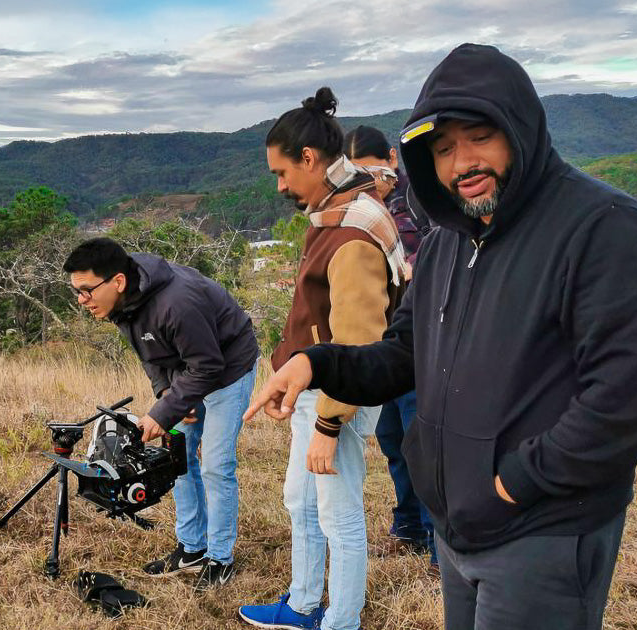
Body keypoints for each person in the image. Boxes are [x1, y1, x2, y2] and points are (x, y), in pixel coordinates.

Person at [246, 44, 637, 630]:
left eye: (479, 136)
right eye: (443, 148)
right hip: (458, 526)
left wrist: (514, 484)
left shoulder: (604, 229)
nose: (462, 162)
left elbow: (621, 403)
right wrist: (316, 364)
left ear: (520, 129)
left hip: (543, 531)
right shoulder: (449, 240)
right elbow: (404, 353)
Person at [238, 88, 406, 630]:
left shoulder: (353, 230)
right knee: (302, 501)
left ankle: (342, 621)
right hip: (313, 391)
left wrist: (329, 424)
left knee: (339, 514)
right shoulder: (337, 212)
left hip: (336, 398)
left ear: (309, 158)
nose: (280, 186)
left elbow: (359, 344)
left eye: (282, 173)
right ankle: (304, 603)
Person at [63, 237, 259, 591]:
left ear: (117, 281)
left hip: (229, 367)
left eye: (87, 290)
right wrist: (167, 394)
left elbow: (209, 366)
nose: (82, 300)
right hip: (187, 370)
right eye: (77, 292)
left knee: (216, 465)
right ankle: (192, 548)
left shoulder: (176, 302)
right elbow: (149, 354)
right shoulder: (121, 300)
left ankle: (220, 558)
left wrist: (163, 413)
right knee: (176, 459)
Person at [341, 125, 437, 567]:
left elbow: (447, 246)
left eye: (373, 173)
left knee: (423, 444)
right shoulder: (359, 209)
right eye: (357, 176)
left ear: (392, 160)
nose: (368, 183)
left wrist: (410, 265)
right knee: (393, 440)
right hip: (382, 340)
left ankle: (439, 544)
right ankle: (409, 526)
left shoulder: (423, 198)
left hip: (422, 341)